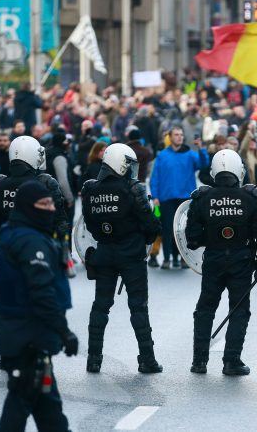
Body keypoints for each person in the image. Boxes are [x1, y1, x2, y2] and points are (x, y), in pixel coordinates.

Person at [0, 180, 78, 431]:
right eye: (44, 204)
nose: (50, 209)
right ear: (29, 207)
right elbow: (42, 294)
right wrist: (64, 331)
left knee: (49, 410)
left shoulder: (7, 233)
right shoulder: (30, 242)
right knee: (20, 402)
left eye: (52, 203)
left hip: (17, 333)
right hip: (28, 336)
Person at [185, 150, 257, 375]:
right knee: (239, 310)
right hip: (241, 260)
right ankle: (231, 361)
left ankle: (199, 360)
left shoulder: (202, 197)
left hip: (213, 259)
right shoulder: (252, 197)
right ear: (239, 171)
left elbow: (192, 239)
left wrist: (211, 237)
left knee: (205, 309)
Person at [81, 143, 163, 374]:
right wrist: (146, 235)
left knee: (100, 306)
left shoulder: (91, 189)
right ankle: (147, 359)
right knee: (138, 307)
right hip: (131, 255)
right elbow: (150, 224)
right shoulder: (132, 188)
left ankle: (93, 359)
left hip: (104, 253)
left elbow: (89, 225)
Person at [0, 136, 70, 254]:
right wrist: (65, 253)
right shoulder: (44, 184)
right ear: (32, 155)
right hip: (38, 249)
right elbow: (60, 224)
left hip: (6, 248)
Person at [149, 126, 209, 269]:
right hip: (166, 198)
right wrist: (155, 196)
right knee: (167, 230)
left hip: (185, 199)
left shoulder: (190, 154)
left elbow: (204, 164)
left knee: (182, 230)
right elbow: (155, 178)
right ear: (170, 137)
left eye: (181, 135)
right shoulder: (162, 155)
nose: (180, 137)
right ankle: (167, 258)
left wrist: (202, 149)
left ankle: (180, 258)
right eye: (176, 135)